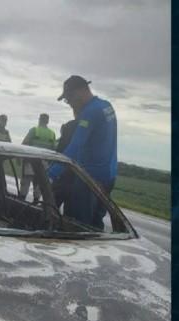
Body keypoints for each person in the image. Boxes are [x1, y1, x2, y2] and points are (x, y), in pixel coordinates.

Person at [49, 75, 117, 229]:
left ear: (79, 92)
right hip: (109, 176)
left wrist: (51, 173)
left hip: (90, 178)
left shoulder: (90, 112)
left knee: (78, 226)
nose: (70, 103)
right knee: (95, 225)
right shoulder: (106, 106)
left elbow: (76, 145)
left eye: (69, 98)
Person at [20, 113, 56, 202]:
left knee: (26, 183)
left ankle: (21, 202)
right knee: (39, 184)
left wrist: (20, 158)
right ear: (47, 121)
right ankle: (35, 203)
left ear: (39, 119)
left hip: (31, 161)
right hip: (44, 163)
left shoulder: (34, 130)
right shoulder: (52, 134)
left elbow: (24, 143)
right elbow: (54, 149)